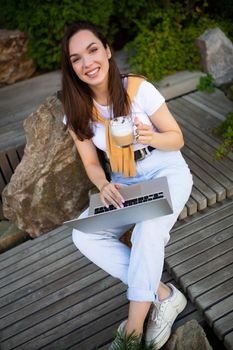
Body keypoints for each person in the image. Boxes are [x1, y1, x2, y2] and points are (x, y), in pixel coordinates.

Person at [61, 20, 193, 349]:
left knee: (150, 227)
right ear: (71, 67)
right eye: (76, 58)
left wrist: (153, 136)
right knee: (83, 233)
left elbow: (177, 139)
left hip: (165, 169)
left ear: (107, 51)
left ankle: (132, 331)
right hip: (124, 181)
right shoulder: (76, 108)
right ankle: (164, 294)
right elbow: (91, 162)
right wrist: (103, 183)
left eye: (93, 50)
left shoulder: (137, 89)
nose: (87, 62)